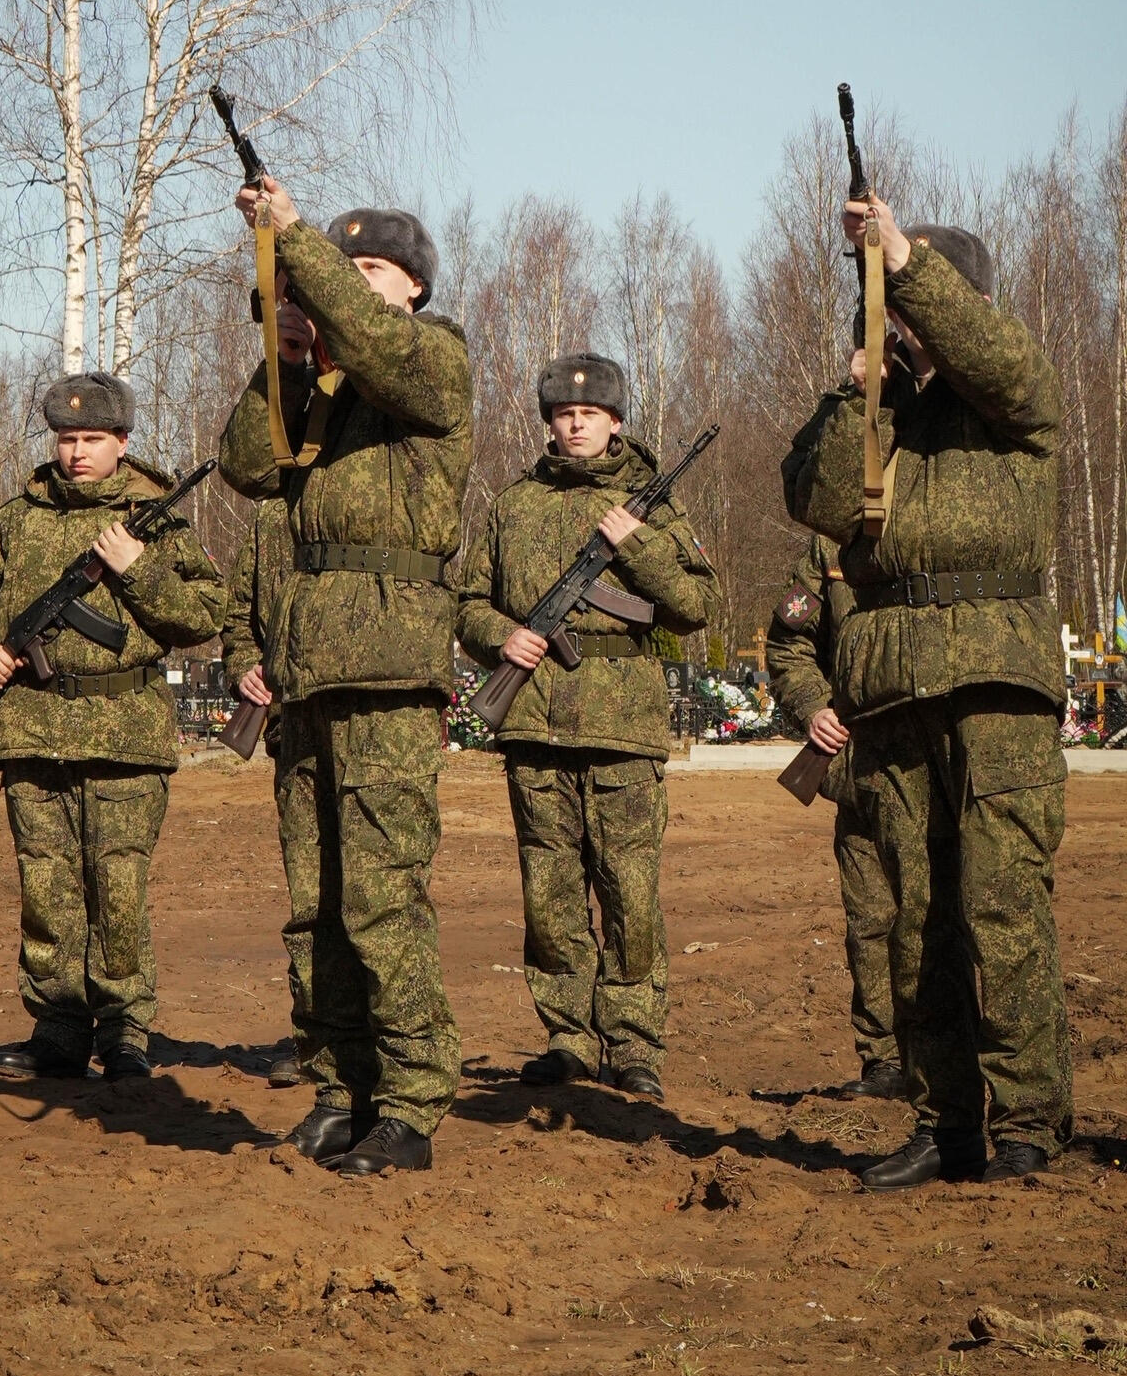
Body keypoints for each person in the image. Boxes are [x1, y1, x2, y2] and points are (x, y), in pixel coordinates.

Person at [784, 206, 1072, 1188]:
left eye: (910, 309)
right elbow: (819, 503)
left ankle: (1026, 1118)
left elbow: (996, 361)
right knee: (914, 919)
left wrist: (902, 263)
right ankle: (944, 1120)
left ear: (961, 303)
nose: (903, 326)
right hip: (891, 691)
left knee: (1001, 906)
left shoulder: (1012, 400)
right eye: (887, 311)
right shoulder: (881, 414)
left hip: (994, 685)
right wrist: (857, 390)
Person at [219, 186, 471, 1175]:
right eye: (342, 269)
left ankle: (410, 1096)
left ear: (413, 288)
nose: (348, 287)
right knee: (314, 903)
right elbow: (246, 466)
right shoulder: (319, 392)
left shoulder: (433, 360)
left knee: (380, 896)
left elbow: (378, 344)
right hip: (308, 672)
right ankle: (340, 1083)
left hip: (386, 668)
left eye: (370, 271)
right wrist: (284, 355)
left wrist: (295, 242)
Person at [0, 374, 227, 1082]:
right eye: (67, 439)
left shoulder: (155, 522)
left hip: (126, 736)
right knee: (46, 886)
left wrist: (138, 570)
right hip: (33, 729)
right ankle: (58, 1027)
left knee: (118, 888)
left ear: (122, 442)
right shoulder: (17, 519)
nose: (77, 453)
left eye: (93, 439)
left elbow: (203, 615)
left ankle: (125, 1030)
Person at [457, 353, 717, 1099]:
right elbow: (468, 602)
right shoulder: (513, 504)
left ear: (616, 422)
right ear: (549, 422)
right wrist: (502, 637)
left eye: (590, 414)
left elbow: (697, 606)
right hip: (534, 721)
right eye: (564, 414)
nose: (575, 425)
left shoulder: (653, 507)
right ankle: (568, 1037)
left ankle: (633, 1043)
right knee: (550, 892)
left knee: (630, 891)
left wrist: (638, 543)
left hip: (621, 725)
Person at [763, 538, 903, 1099]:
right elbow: (787, 642)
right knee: (870, 918)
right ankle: (885, 1059)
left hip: (937, 761)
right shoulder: (831, 549)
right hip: (862, 767)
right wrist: (813, 707)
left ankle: (950, 1059)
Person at [221, 491, 303, 1088]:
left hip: (376, 731)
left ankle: (384, 1038)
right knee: (311, 895)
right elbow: (239, 619)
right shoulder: (271, 518)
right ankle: (316, 1033)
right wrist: (243, 668)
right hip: (294, 731)